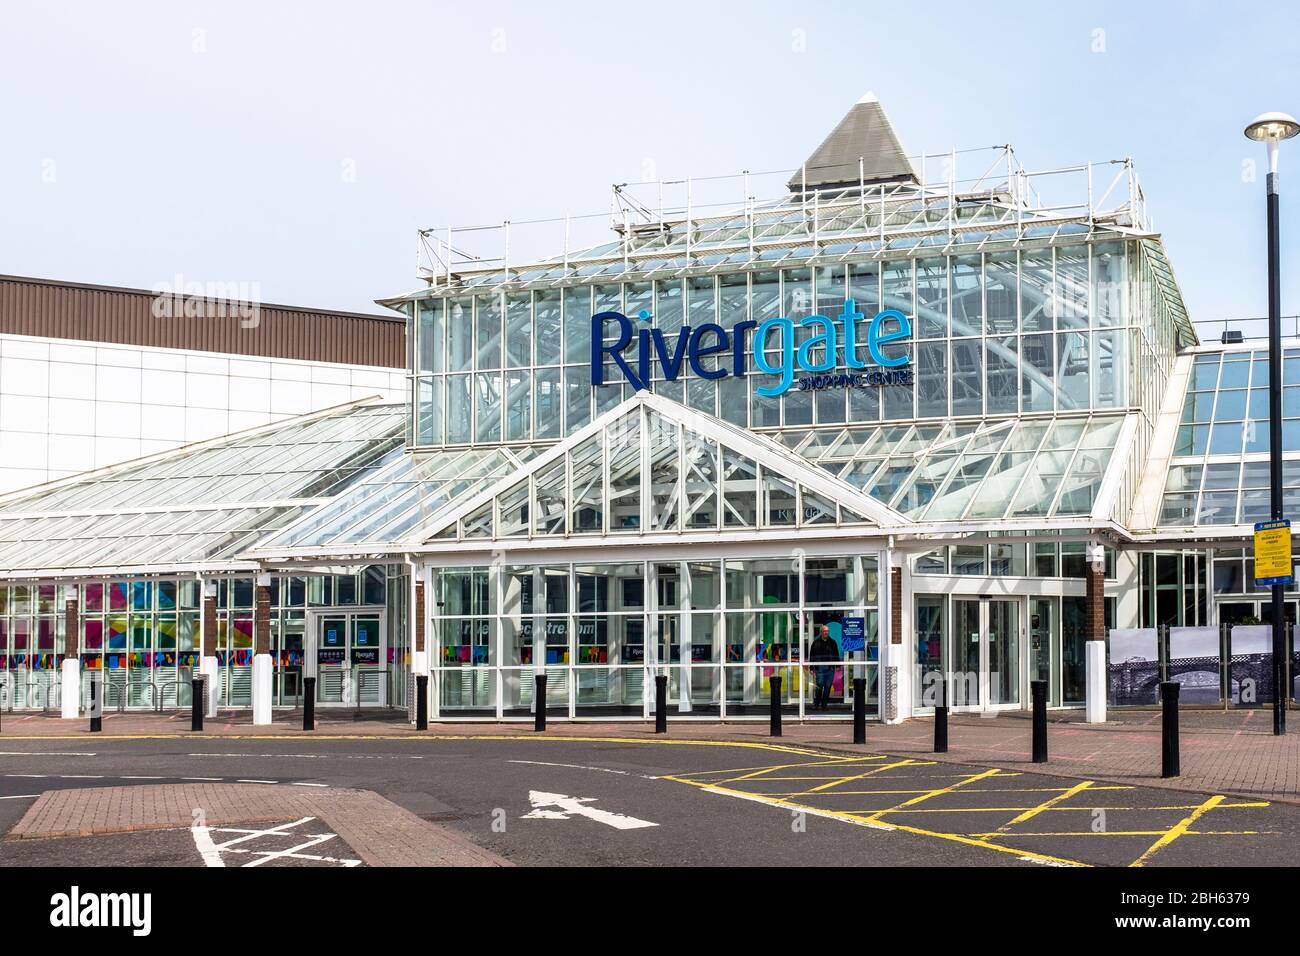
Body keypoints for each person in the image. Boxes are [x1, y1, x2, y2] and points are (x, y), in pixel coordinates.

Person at [808, 624, 840, 711]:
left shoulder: (832, 642)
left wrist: (838, 665)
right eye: (825, 631)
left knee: (828, 686)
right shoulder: (816, 643)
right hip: (820, 668)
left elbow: (836, 654)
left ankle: (824, 705)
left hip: (830, 668)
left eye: (827, 631)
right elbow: (812, 655)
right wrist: (811, 668)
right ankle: (816, 704)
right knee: (819, 686)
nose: (826, 633)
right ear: (821, 632)